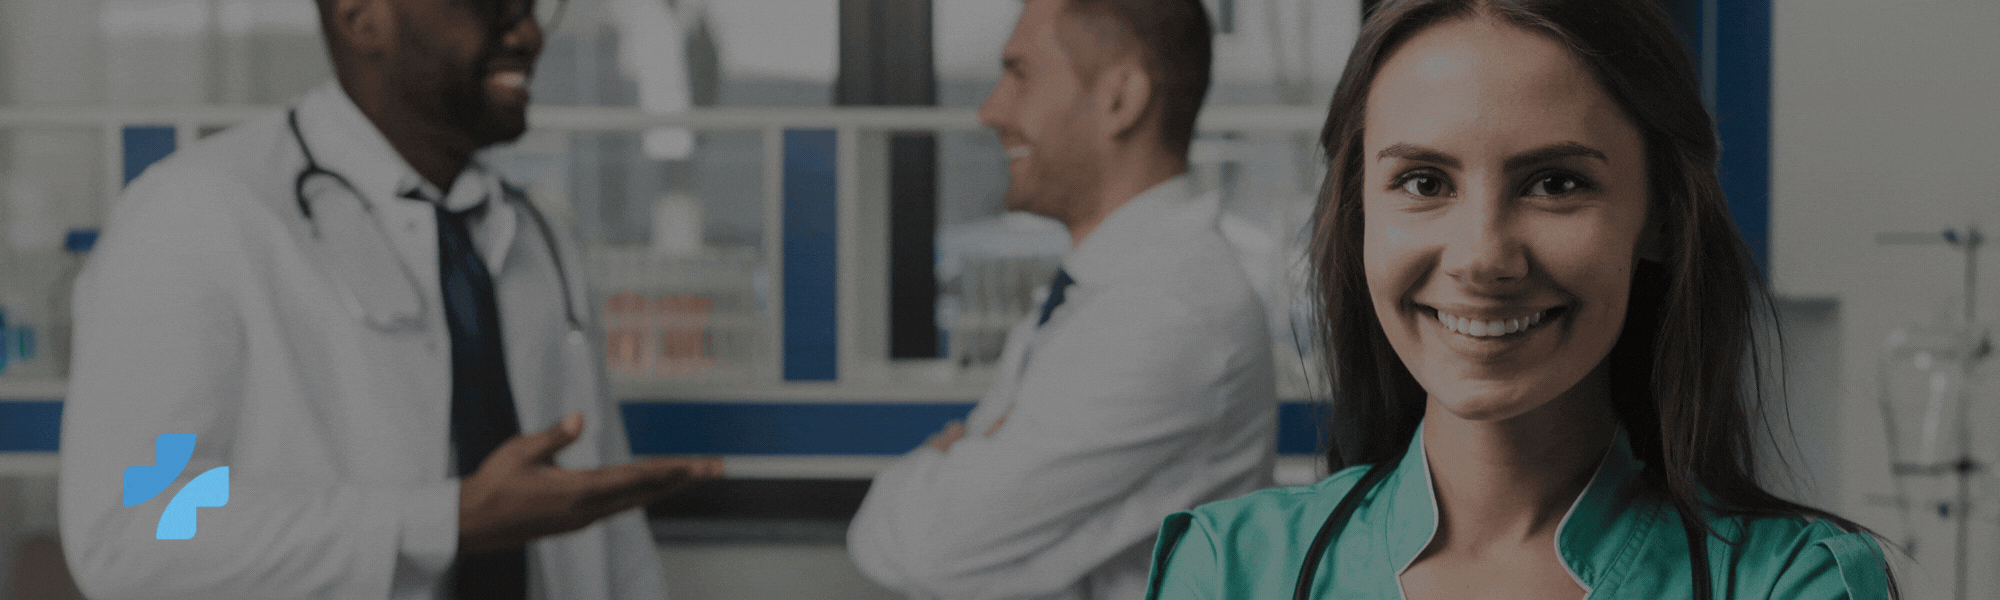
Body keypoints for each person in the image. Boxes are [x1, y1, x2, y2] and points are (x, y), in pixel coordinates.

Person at [1145, 0, 1897, 599]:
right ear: (1358, 214)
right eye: (1423, 183)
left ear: (1659, 216)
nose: (1482, 258)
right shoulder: (1227, 572)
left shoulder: (1794, 582)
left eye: (1556, 184)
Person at [56, 0, 721, 598]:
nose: (527, 33)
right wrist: (447, 520)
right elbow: (138, 522)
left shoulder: (536, 233)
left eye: (534, 5)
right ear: (362, 17)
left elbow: (607, 534)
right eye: (493, 3)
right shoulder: (200, 216)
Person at [845, 0, 1277, 598]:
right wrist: (960, 462)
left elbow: (929, 550)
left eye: (1020, 74)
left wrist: (952, 456)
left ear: (1120, 99)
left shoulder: (1166, 311)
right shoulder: (1104, 287)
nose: (990, 109)